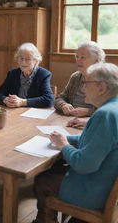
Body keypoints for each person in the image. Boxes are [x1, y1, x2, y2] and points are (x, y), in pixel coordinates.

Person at [32, 62, 118, 223]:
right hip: (106, 181)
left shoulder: (104, 115)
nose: (82, 88)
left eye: (86, 83)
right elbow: (94, 141)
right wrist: (65, 138)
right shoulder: (114, 108)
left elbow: (84, 164)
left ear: (102, 87)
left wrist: (63, 145)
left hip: (95, 191)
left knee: (42, 181)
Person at [0, 42, 54, 108]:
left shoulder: (43, 75)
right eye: (21, 58)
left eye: (27, 59)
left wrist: (22, 102)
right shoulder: (13, 73)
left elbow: (49, 100)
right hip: (14, 112)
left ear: (35, 61)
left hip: (32, 114)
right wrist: (5, 99)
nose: (23, 62)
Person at [55, 41, 105, 118]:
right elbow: (60, 98)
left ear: (96, 60)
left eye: (82, 57)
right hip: (71, 119)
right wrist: (64, 105)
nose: (78, 60)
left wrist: (89, 111)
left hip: (94, 121)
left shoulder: (107, 79)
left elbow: (113, 109)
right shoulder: (76, 76)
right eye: (77, 56)